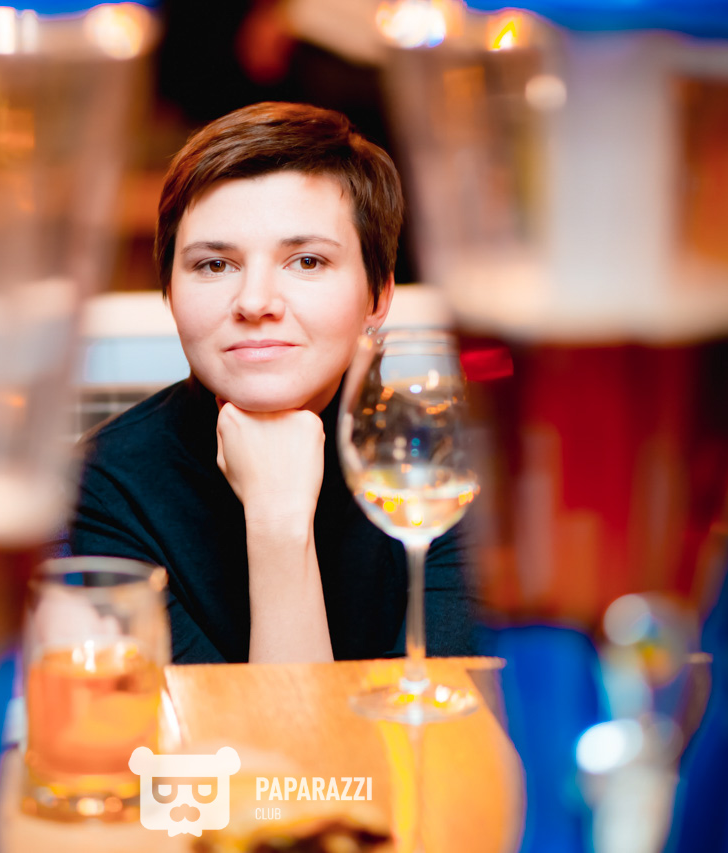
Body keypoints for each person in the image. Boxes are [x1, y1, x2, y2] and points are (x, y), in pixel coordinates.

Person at [69, 102, 478, 664]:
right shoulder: (96, 489)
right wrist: (276, 520)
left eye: (307, 261)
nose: (255, 301)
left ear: (378, 297)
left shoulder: (447, 471)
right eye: (215, 265)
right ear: (169, 292)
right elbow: (221, 725)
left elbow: (453, 711)